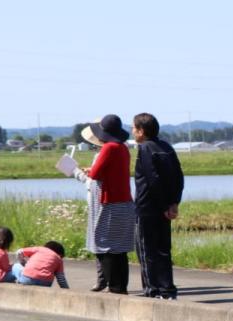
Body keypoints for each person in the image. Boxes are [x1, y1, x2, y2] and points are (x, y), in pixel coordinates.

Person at [76, 114, 135, 294]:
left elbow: (95, 174)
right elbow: (108, 171)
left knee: (106, 246)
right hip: (124, 203)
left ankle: (115, 287)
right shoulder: (122, 147)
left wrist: (84, 171)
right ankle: (120, 287)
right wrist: (93, 169)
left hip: (110, 204)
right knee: (119, 249)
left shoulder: (109, 148)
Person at [132, 113, 184, 299]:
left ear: (141, 131)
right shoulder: (166, 147)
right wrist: (174, 203)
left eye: (134, 128)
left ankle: (152, 291)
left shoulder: (145, 148)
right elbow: (179, 176)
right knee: (163, 250)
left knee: (146, 251)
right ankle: (167, 290)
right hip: (165, 208)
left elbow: (152, 178)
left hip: (147, 207)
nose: (132, 131)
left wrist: (164, 205)